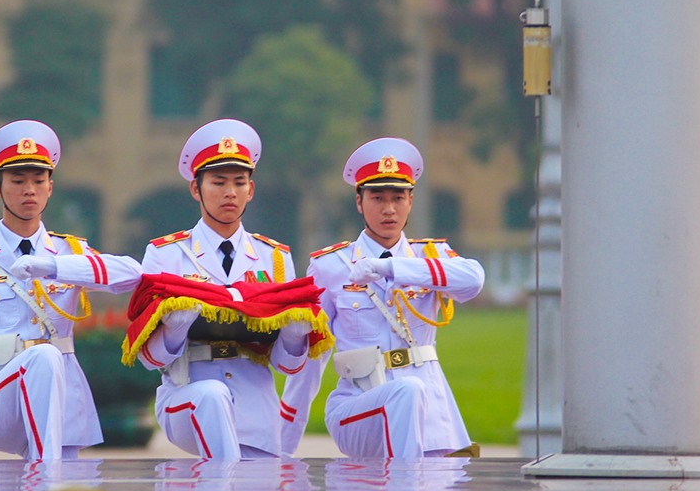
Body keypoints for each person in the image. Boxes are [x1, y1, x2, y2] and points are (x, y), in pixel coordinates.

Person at [0, 120, 143, 462]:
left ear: (50, 187)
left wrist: (54, 266)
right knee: (44, 356)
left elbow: (132, 275)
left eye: (38, 180)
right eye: (18, 181)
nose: (29, 190)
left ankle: (47, 472)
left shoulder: (69, 252)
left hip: (60, 402)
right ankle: (47, 474)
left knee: (67, 488)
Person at [128, 119, 330, 460]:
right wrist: (174, 332)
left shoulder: (274, 258)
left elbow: (286, 366)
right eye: (218, 182)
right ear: (196, 189)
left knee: (256, 490)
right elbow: (150, 360)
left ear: (251, 190)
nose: (230, 192)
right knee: (212, 395)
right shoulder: (166, 255)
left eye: (239, 182)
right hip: (187, 395)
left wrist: (295, 337)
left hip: (256, 407)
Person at [299, 137, 485, 458]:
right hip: (359, 405)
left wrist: (391, 267)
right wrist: (287, 432)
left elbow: (473, 280)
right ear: (359, 202)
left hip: (430, 407)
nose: (389, 209)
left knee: (442, 478)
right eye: (377, 198)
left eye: (398, 198)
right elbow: (312, 353)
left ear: (410, 201)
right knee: (406, 394)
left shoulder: (429, 255)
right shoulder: (330, 266)